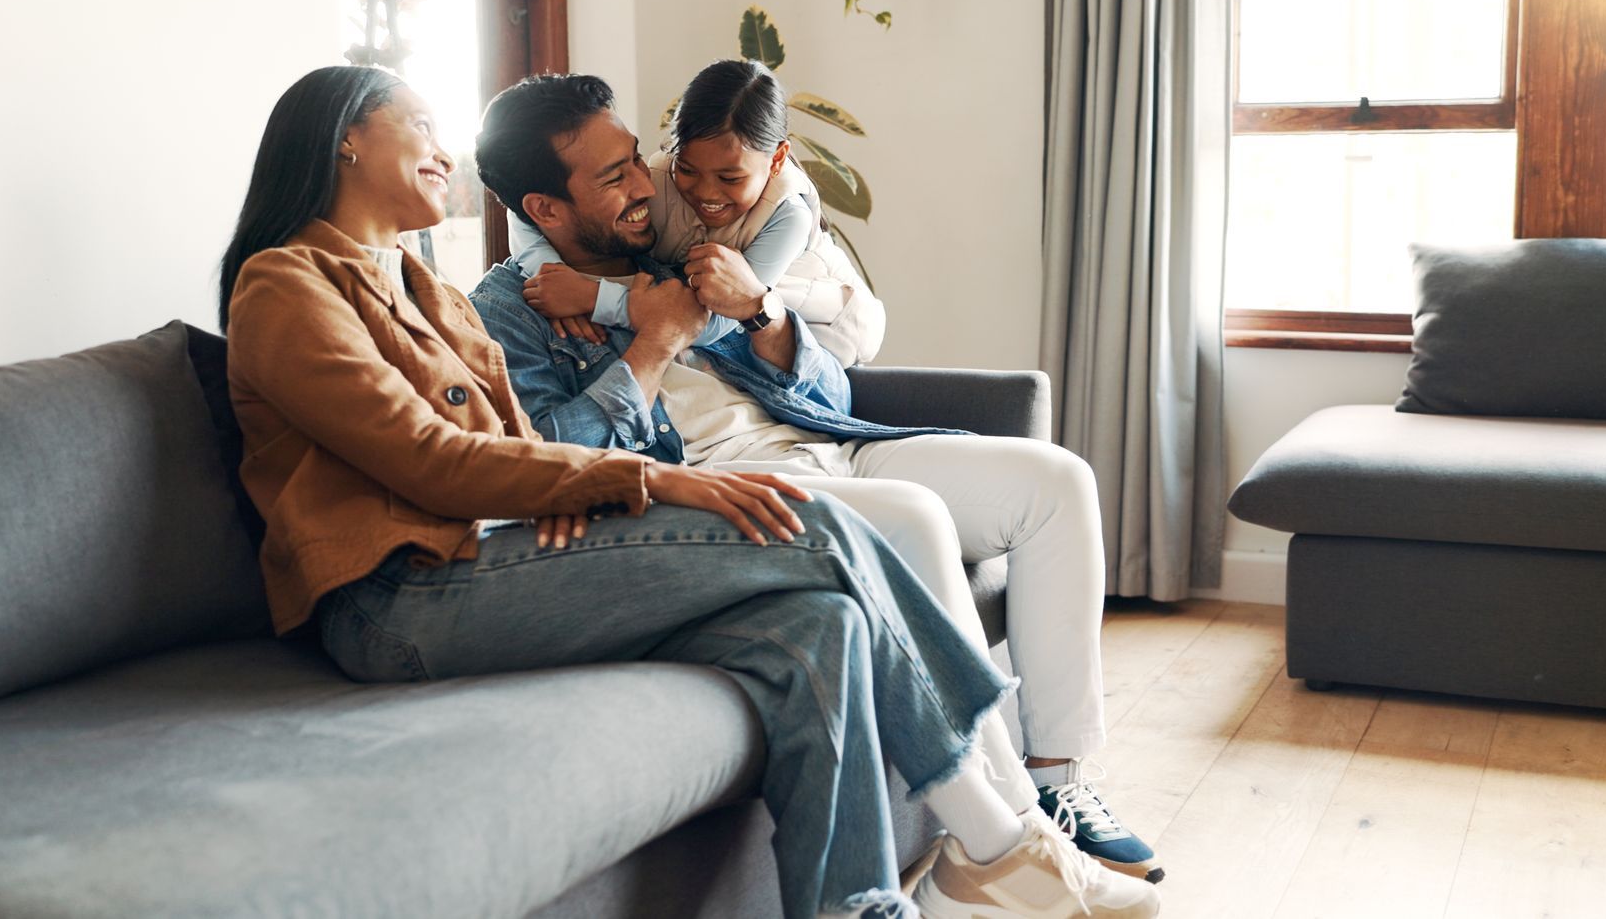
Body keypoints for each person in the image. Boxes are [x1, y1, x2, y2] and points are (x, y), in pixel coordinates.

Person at [218, 65, 1158, 919]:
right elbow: (431, 460)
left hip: (499, 553)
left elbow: (506, 452)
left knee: (818, 629)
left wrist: (579, 497)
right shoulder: (286, 286)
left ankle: (863, 907)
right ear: (347, 137)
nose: (440, 148)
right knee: (824, 529)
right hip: (402, 595)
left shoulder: (433, 293)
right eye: (418, 123)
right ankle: (1006, 844)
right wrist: (648, 473)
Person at [468, 73, 1167, 887]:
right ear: (543, 209)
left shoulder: (675, 241)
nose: (650, 185)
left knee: (1054, 483)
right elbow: (550, 452)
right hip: (726, 482)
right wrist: (648, 346)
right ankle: (1009, 840)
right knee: (910, 517)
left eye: (638, 161)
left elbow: (829, 387)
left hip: (825, 443)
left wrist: (761, 312)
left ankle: (1057, 786)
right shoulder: (513, 306)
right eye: (617, 175)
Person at [512, 58, 884, 367]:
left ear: (777, 160)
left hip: (825, 325)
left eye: (729, 177)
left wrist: (592, 298)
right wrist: (551, 274)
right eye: (687, 169)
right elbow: (524, 207)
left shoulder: (788, 215)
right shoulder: (653, 178)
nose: (706, 193)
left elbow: (714, 321)